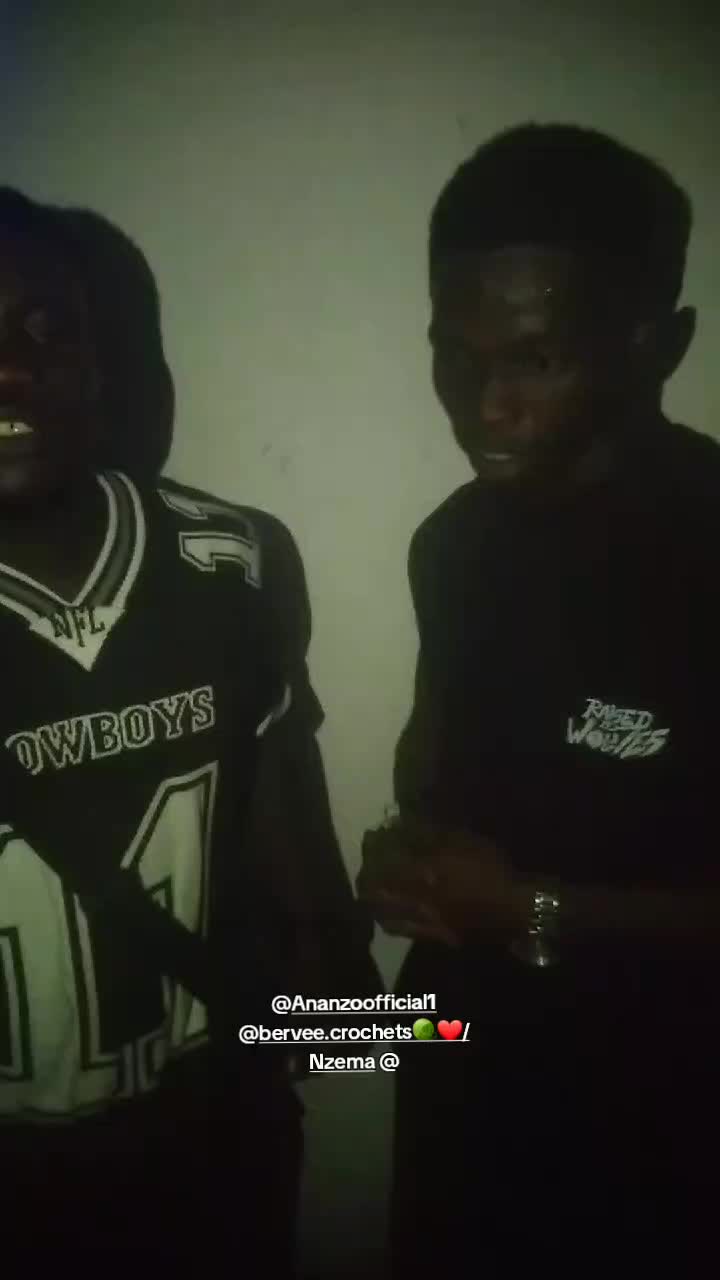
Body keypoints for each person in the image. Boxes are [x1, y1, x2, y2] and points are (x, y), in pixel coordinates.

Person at [357, 123, 720, 1276]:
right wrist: (401, 865)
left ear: (656, 343)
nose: (481, 405)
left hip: (667, 1118)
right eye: (453, 356)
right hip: (457, 1065)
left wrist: (538, 907)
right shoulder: (450, 544)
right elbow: (436, 778)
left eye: (536, 360)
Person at [0, 189, 380, 1270]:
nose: (9, 367)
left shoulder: (235, 558)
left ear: (105, 363)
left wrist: (348, 1007)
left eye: (46, 327)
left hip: (215, 1124)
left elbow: (279, 792)